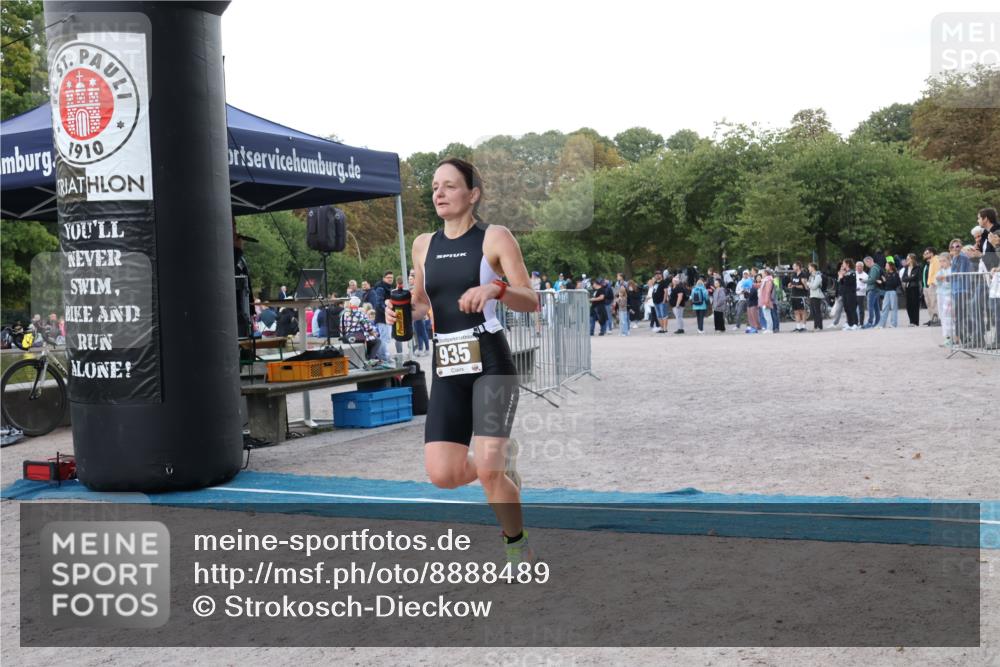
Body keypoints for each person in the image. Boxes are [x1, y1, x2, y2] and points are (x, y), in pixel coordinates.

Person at [385, 157, 537, 565]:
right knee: (443, 474)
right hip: (447, 365)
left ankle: (517, 549)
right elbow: (422, 305)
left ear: (473, 194)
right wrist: (399, 311)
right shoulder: (423, 245)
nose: (439, 193)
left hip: (490, 361)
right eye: (435, 186)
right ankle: (500, 462)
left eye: (450, 186)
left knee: (488, 473)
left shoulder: (495, 238)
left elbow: (531, 299)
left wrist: (496, 290)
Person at [876, 261, 900, 328]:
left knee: (893, 308)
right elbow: (885, 285)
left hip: (893, 292)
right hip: (886, 292)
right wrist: (881, 282)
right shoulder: (886, 274)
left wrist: (885, 281)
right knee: (884, 308)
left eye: (887, 265)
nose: (885, 267)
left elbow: (896, 284)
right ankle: (882, 324)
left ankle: (893, 324)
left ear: (890, 266)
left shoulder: (895, 274)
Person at [900, 253, 921, 326]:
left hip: (914, 288)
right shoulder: (906, 267)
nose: (906, 260)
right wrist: (910, 277)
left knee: (915, 305)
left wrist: (909, 278)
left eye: (908, 259)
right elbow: (903, 278)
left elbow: (915, 277)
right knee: (908, 306)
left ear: (912, 259)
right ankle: (911, 321)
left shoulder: (917, 267)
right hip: (908, 288)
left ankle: (915, 322)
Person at [788, 261, 809, 332]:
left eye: (794, 266)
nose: (793, 268)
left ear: (798, 267)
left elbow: (804, 287)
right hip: (794, 295)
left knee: (802, 311)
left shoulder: (803, 274)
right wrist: (790, 284)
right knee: (796, 311)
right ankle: (798, 327)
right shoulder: (793, 274)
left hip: (801, 296)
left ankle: (803, 327)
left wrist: (795, 286)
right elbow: (792, 283)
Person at [921, 247, 940, 326]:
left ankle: (937, 319)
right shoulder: (927, 263)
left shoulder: (936, 260)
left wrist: (933, 282)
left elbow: (937, 272)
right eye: (924, 253)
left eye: (927, 253)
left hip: (932, 284)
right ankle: (932, 319)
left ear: (932, 253)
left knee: (933, 303)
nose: (925, 255)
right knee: (929, 304)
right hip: (926, 285)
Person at [838, 259, 859, 330]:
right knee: (847, 309)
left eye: (843, 263)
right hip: (845, 293)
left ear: (847, 264)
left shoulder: (852, 272)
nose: (842, 265)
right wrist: (841, 277)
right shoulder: (845, 273)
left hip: (851, 293)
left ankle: (855, 324)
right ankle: (850, 324)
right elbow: (842, 283)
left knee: (852, 308)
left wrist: (843, 276)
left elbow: (849, 282)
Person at [862, 257, 882, 328]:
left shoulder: (873, 268)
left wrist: (864, 281)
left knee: (870, 307)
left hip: (872, 289)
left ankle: (870, 322)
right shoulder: (877, 267)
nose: (866, 265)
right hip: (876, 289)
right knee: (876, 307)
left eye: (866, 263)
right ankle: (877, 322)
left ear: (869, 261)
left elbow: (872, 279)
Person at [807, 263, 824, 330]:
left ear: (813, 267)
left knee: (817, 311)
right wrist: (809, 284)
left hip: (816, 295)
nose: (808, 268)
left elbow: (814, 286)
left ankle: (819, 326)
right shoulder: (811, 276)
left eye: (809, 267)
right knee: (813, 312)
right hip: (812, 295)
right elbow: (810, 286)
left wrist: (808, 284)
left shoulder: (818, 276)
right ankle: (815, 326)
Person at [758, 269, 774, 334]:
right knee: (766, 315)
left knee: (767, 315)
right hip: (764, 299)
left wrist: (766, 300)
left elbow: (768, 291)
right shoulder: (765, 280)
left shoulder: (768, 281)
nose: (762, 274)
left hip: (766, 300)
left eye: (762, 273)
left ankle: (770, 329)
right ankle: (768, 328)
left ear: (766, 273)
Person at [855, 260, 868, 328]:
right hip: (854, 294)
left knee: (861, 309)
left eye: (860, 266)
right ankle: (855, 323)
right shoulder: (854, 274)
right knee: (853, 309)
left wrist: (860, 288)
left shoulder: (865, 275)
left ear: (863, 267)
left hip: (861, 294)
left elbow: (866, 286)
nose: (858, 268)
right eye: (857, 266)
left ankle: (861, 323)